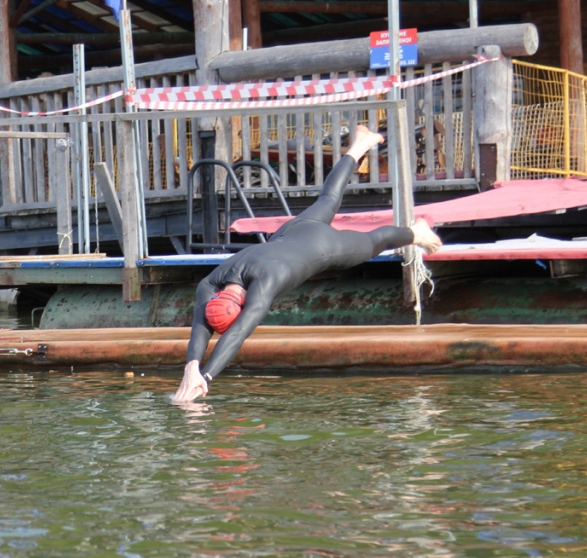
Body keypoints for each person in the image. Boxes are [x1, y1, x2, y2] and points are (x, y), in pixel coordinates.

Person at [172, 125, 442, 404]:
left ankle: (415, 232)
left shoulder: (266, 282)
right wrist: (192, 367)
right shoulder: (212, 282)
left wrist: (207, 377)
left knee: (373, 242)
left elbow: (239, 332)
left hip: (322, 246)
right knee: (328, 199)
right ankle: (359, 145)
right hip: (293, 231)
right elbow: (200, 325)